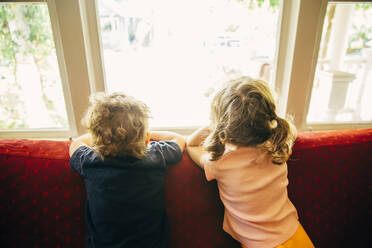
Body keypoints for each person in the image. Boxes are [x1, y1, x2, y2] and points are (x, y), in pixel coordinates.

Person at [187, 77, 314, 248]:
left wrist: (214, 126)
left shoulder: (221, 162)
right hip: (295, 235)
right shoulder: (277, 147)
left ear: (224, 127)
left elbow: (191, 144)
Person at [69, 92, 185, 248]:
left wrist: (102, 138)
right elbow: (178, 139)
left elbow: (76, 143)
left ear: (96, 139)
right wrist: (145, 135)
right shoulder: (156, 156)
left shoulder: (91, 161)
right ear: (146, 138)